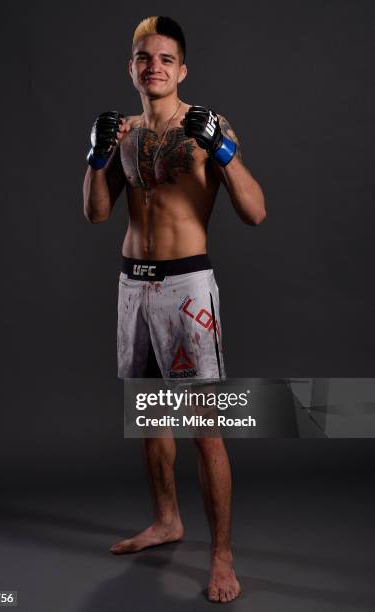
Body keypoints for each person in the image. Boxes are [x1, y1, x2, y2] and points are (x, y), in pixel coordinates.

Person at [82, 15, 266, 604]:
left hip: (187, 288)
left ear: (181, 69)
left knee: (205, 429)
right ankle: (167, 520)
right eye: (143, 57)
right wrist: (94, 157)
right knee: (150, 415)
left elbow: (256, 211)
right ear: (131, 68)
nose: (153, 66)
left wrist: (227, 151)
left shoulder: (205, 128)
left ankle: (221, 556)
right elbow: (95, 214)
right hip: (133, 283)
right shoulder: (123, 132)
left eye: (164, 57)